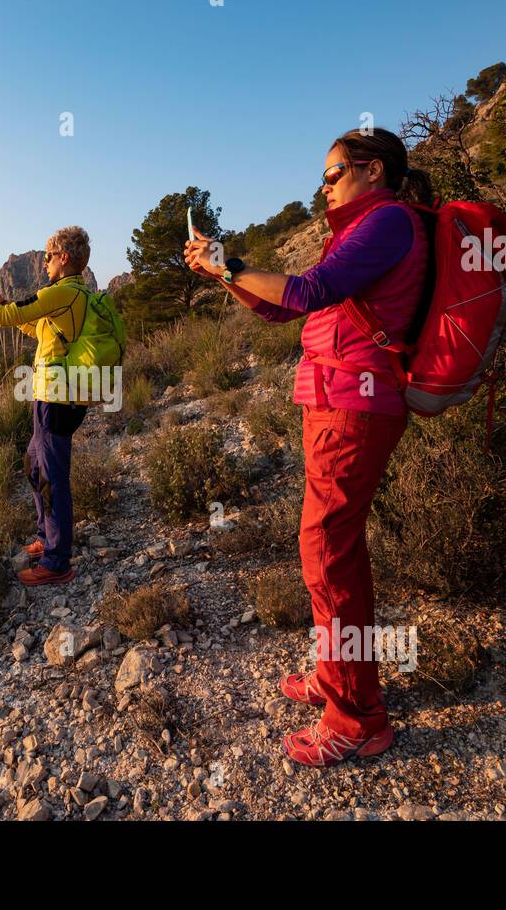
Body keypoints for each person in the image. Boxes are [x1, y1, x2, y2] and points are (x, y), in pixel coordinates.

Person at [184, 127, 433, 767]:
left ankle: (358, 717)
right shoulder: (359, 231)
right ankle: (338, 675)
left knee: (327, 552)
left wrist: (233, 264)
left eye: (331, 173)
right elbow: (280, 310)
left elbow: (306, 292)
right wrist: (223, 271)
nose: (323, 185)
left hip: (356, 402)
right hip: (334, 400)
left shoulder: (386, 223)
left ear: (372, 170)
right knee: (333, 550)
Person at [0, 225, 93, 586]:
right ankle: (46, 537)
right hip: (48, 395)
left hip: (57, 395)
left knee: (53, 476)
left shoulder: (64, 291)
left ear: (64, 258)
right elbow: (30, 327)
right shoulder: (67, 296)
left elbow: (5, 319)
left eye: (49, 256)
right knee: (34, 464)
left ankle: (57, 562)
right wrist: (1, 298)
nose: (44, 262)